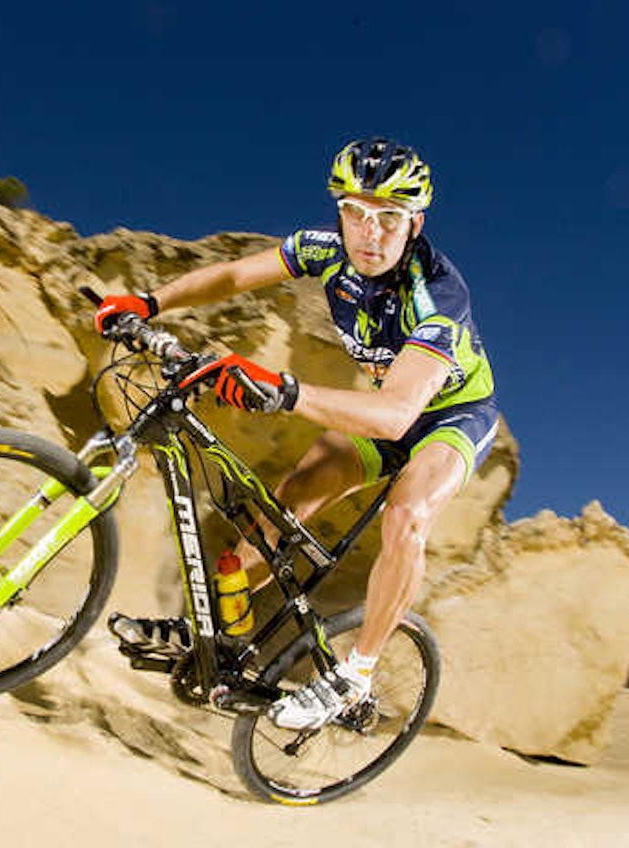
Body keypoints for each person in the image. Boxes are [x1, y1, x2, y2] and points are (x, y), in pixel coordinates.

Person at [95, 138, 497, 730]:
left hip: (449, 416)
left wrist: (282, 388)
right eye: (357, 212)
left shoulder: (438, 295)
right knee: (288, 501)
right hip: (388, 408)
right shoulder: (323, 250)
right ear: (339, 212)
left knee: (406, 515)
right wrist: (151, 302)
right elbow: (235, 275)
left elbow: (394, 417)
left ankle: (355, 676)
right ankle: (211, 630)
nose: (371, 233)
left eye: (389, 218)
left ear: (415, 223)